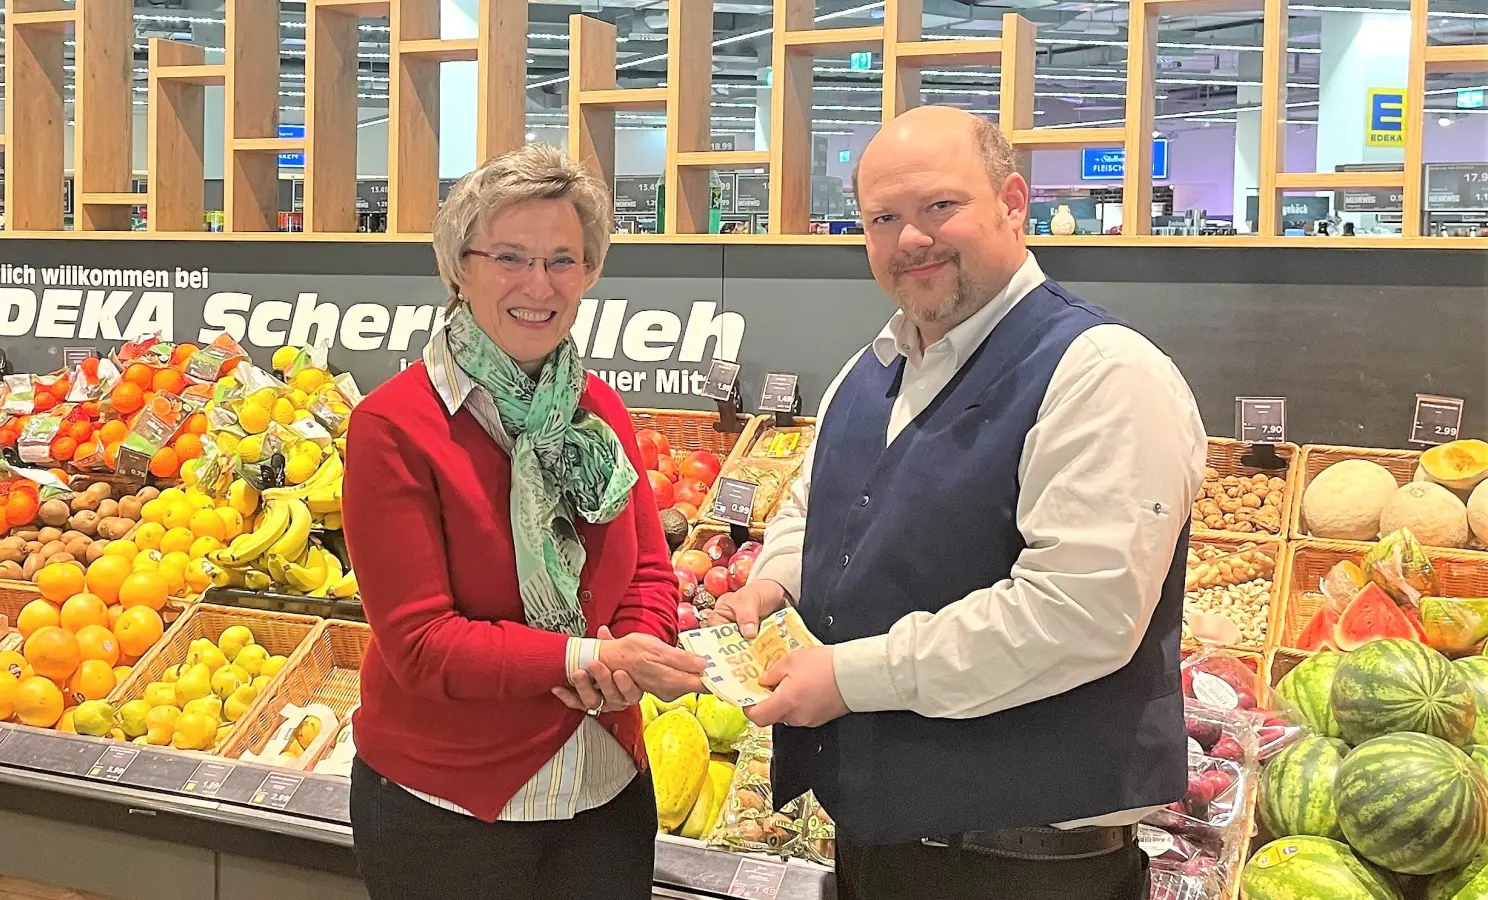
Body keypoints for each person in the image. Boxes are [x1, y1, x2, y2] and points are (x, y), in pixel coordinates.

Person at [710, 106, 1205, 900]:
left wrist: (850, 677)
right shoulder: (867, 370)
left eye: (940, 207)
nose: (911, 240)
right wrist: (775, 583)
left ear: (1013, 202)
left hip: (1024, 862)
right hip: (878, 839)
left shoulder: (1103, 373)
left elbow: (1078, 613)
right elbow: (812, 511)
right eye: (883, 218)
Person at [343, 142, 707, 900]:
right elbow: (420, 645)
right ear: (460, 267)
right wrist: (579, 662)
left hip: (607, 790)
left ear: (589, 271)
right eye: (510, 256)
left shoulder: (594, 406)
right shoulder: (394, 428)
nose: (538, 285)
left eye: (563, 261)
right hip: (450, 811)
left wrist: (636, 649)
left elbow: (645, 565)